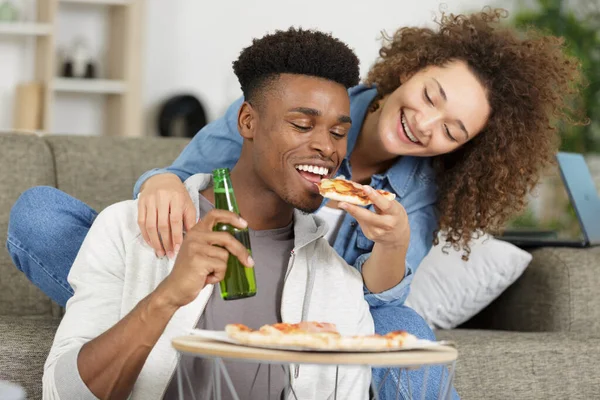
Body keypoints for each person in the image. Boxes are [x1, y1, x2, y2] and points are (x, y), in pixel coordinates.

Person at [9, 6, 581, 399]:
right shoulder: (301, 92)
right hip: (207, 253)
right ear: (408, 71)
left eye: (452, 130)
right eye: (430, 96)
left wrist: (394, 242)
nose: (426, 123)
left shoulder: (419, 192)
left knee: (407, 324)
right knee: (41, 214)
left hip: (335, 294)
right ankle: (123, 304)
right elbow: (190, 176)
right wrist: (156, 182)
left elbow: (378, 294)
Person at [43, 28, 377, 400]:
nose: (325, 147)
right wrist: (167, 297)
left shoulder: (339, 283)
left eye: (337, 132)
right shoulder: (127, 229)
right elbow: (63, 394)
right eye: (302, 125)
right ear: (247, 121)